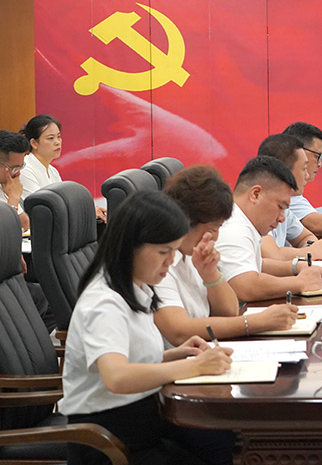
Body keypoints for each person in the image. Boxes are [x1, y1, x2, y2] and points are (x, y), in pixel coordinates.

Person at [60, 190, 235, 465]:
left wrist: (176, 355)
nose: (170, 261)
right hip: (109, 441)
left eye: (174, 251)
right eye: (164, 252)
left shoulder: (136, 287)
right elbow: (116, 377)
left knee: (227, 443)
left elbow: (127, 358)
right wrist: (193, 367)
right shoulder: (104, 301)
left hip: (145, 421)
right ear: (131, 246)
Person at [154, 165, 299, 346]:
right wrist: (254, 323)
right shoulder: (158, 262)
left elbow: (230, 311)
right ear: (186, 220)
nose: (215, 237)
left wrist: (211, 274)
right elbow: (179, 332)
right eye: (213, 228)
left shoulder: (192, 253)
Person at [214, 156, 322, 303]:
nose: (282, 218)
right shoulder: (234, 228)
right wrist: (301, 282)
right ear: (256, 194)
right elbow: (246, 286)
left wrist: (296, 267)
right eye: (280, 207)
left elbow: (257, 264)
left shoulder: (242, 221)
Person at [255, 133, 322, 275]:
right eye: (304, 169)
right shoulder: (258, 208)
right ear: (283, 170)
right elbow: (272, 255)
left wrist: (310, 247)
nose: (307, 176)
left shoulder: (285, 207)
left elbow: (306, 237)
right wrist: (311, 252)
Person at [19, 114, 108, 221]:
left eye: (59, 137)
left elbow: (64, 204)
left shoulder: (53, 171)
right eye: (50, 138)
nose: (57, 142)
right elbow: (41, 209)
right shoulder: (25, 169)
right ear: (34, 143)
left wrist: (90, 210)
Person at [0, 130, 30, 231]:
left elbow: (25, 224)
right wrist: (13, 199)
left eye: (20, 167)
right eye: (14, 168)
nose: (18, 173)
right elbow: (4, 232)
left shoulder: (5, 185)